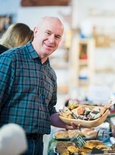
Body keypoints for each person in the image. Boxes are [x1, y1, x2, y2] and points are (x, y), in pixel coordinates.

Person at [0, 16, 79, 155]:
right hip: (11, 145)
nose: (51, 40)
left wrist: (69, 121)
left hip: (38, 145)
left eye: (57, 36)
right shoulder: (11, 59)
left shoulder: (51, 73)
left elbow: (49, 111)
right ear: (36, 32)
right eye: (48, 33)